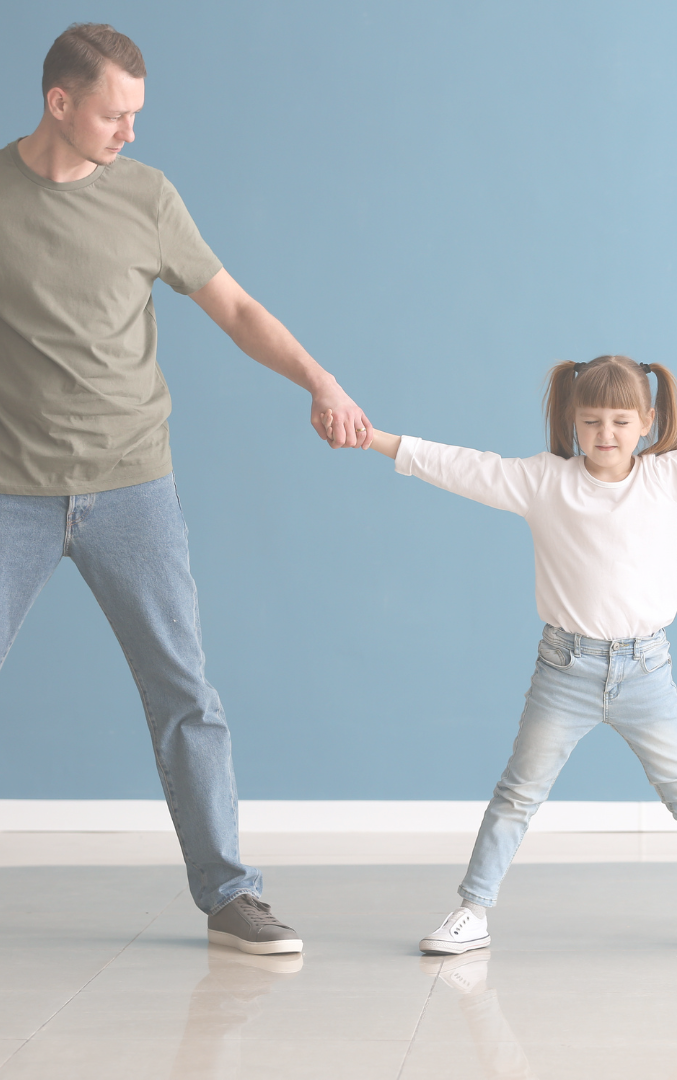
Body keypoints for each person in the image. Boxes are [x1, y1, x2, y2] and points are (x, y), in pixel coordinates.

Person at [0, 24, 371, 953]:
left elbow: (236, 308)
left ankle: (228, 894)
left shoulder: (146, 196)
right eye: (114, 113)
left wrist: (321, 380)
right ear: (59, 103)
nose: (129, 131)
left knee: (184, 693)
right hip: (14, 490)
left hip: (133, 487)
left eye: (136, 114)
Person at [328, 354, 677, 955]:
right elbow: (461, 467)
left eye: (620, 421)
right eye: (591, 421)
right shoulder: (544, 482)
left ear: (646, 421)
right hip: (564, 671)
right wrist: (376, 439)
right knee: (518, 794)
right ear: (572, 421)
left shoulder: (667, 478)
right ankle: (472, 912)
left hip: (647, 672)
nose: (605, 435)